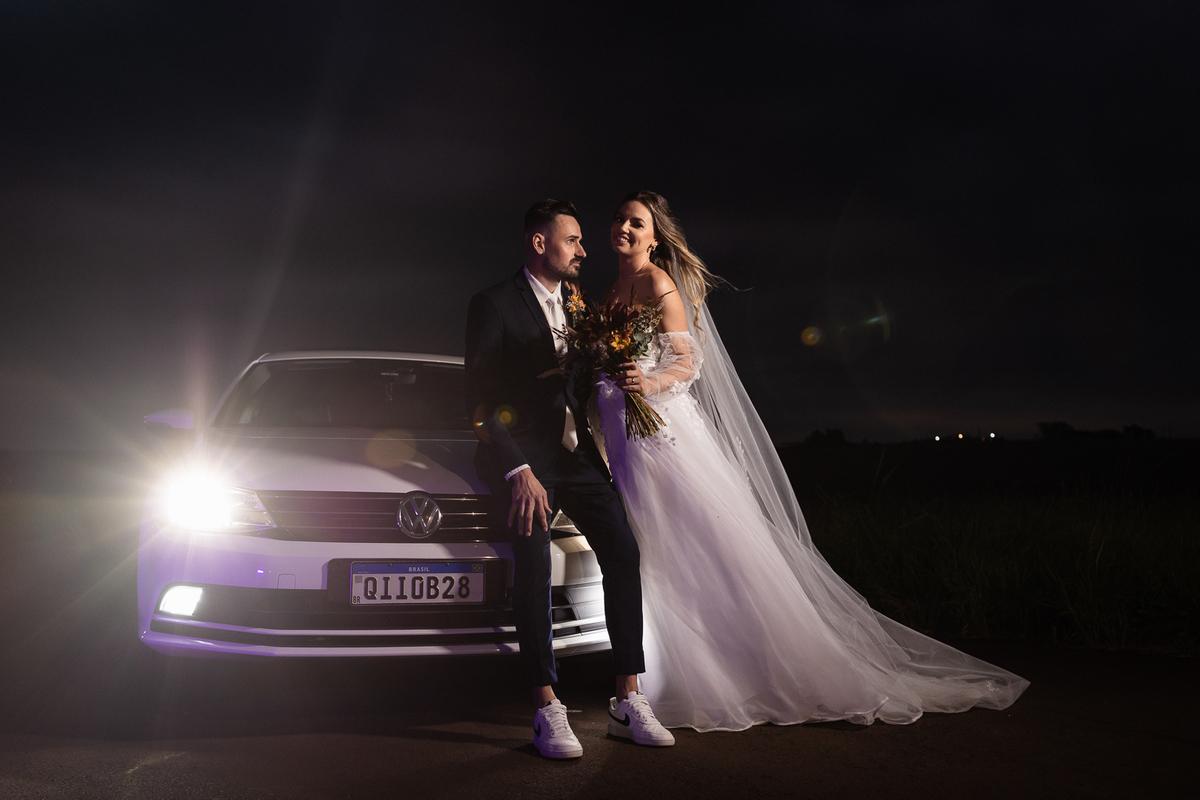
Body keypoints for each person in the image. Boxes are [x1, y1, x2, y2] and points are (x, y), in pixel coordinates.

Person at [593, 190, 1030, 731]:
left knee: (700, 547)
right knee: (654, 553)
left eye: (636, 222)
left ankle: (743, 670)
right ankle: (660, 671)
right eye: (619, 218)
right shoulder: (610, 290)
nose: (624, 227)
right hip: (627, 441)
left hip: (664, 436)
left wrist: (646, 382)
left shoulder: (659, 284)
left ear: (654, 236)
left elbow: (688, 363)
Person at [464, 199, 675, 758]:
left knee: (624, 553)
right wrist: (517, 469)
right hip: (523, 462)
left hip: (577, 458)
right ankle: (546, 707)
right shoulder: (493, 303)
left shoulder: (581, 306)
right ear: (540, 243)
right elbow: (479, 402)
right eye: (573, 240)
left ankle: (627, 698)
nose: (584, 249)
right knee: (534, 567)